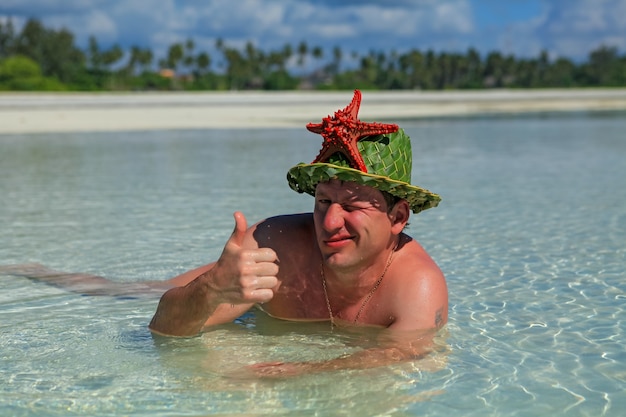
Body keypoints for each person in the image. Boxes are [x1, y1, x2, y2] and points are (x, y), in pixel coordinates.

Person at [148, 90, 448, 376]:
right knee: (141, 291)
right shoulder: (275, 247)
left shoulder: (417, 285)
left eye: (352, 206)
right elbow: (164, 331)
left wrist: (298, 373)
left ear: (397, 217)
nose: (330, 222)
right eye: (323, 201)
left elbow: (399, 357)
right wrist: (209, 288)